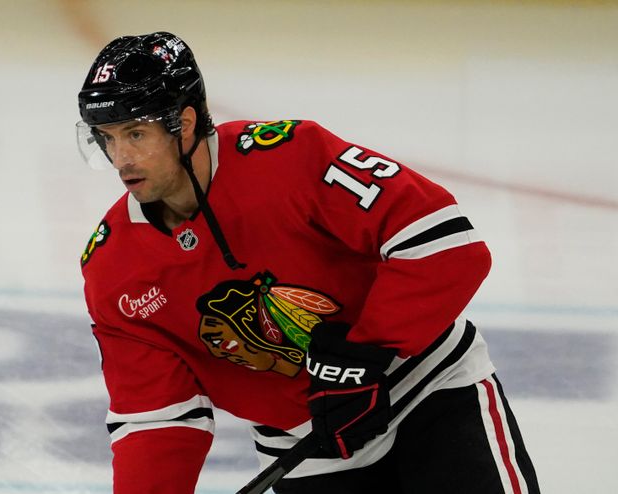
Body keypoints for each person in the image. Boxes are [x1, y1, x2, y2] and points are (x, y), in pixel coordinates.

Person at [76, 31, 540, 494]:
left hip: (428, 387)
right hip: (309, 445)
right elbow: (155, 418)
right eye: (108, 138)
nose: (122, 158)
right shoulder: (113, 269)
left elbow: (446, 244)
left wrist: (364, 355)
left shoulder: (290, 156)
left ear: (186, 122)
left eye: (136, 134)